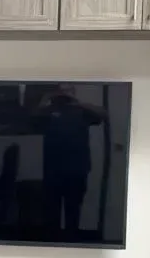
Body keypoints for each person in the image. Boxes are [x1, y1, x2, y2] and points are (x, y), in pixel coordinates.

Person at [34, 84, 106, 238]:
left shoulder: (82, 111)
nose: (65, 93)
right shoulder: (49, 111)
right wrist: (45, 98)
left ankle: (71, 243)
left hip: (77, 170)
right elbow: (32, 119)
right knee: (51, 213)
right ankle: (52, 246)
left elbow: (104, 114)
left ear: (74, 92)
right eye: (62, 90)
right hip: (53, 171)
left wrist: (78, 102)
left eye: (69, 90)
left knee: (73, 212)